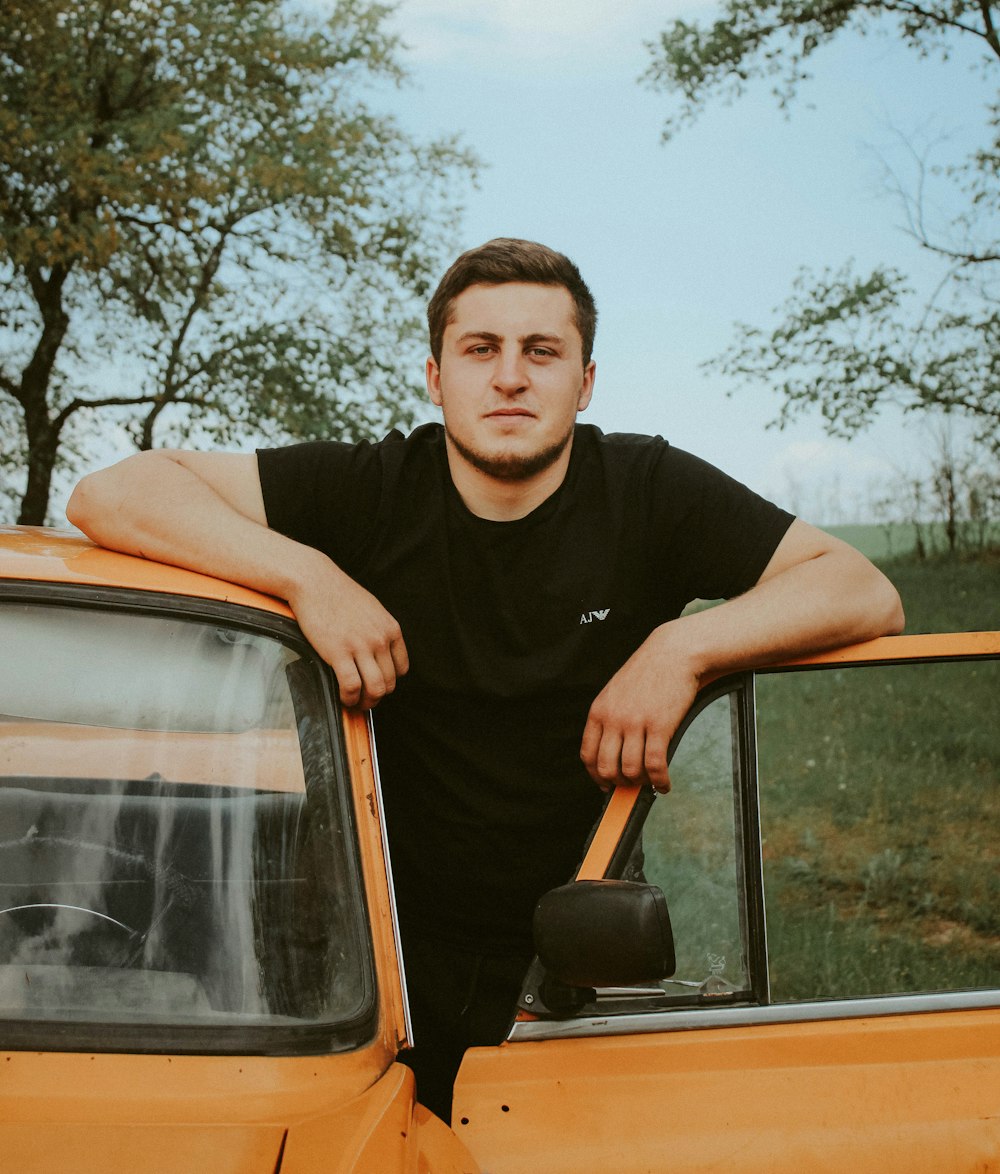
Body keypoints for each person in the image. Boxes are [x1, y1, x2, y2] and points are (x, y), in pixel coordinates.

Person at [67, 238, 904, 1121]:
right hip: (363, 956)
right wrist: (309, 577)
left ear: (584, 384)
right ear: (436, 377)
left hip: (574, 957)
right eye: (481, 350)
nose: (511, 377)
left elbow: (861, 588)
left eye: (541, 351)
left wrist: (679, 649)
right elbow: (113, 494)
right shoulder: (373, 489)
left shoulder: (648, 489)